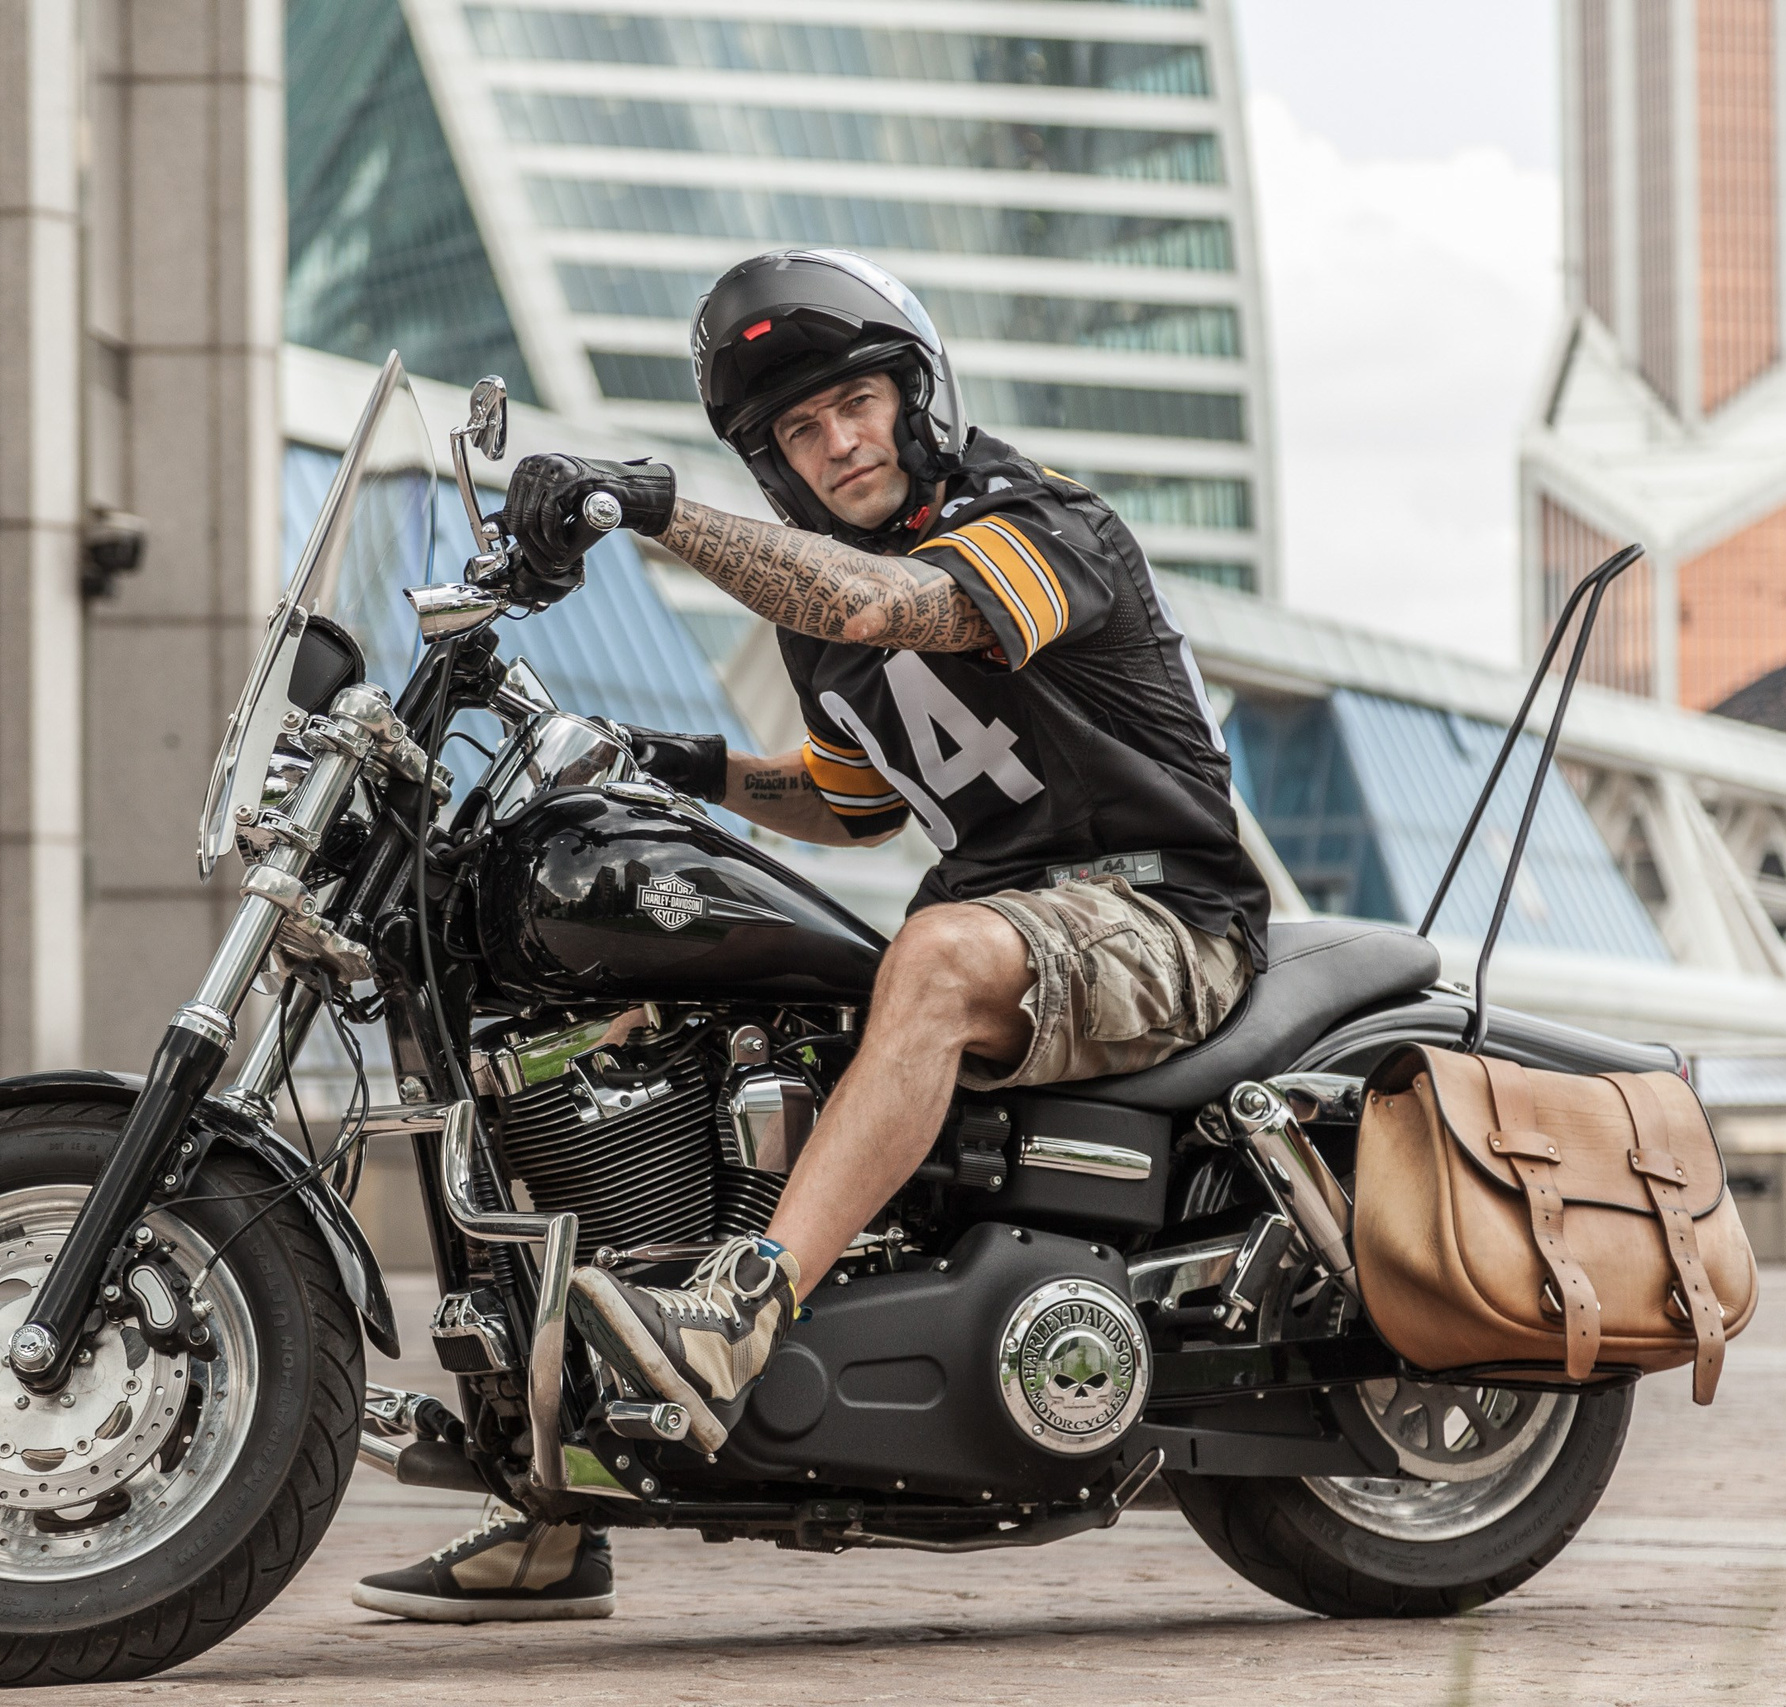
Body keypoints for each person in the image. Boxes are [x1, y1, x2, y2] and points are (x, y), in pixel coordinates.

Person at [351, 248, 1270, 1623]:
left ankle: (742, 1313)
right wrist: (668, 762)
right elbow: (849, 802)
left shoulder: (1036, 518)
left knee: (935, 953)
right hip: (1015, 921)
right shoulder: (822, 633)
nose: (838, 442)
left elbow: (887, 606)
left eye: (855, 404)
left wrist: (651, 506)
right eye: (799, 429)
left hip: (1160, 911)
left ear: (917, 397)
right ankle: (552, 1492)